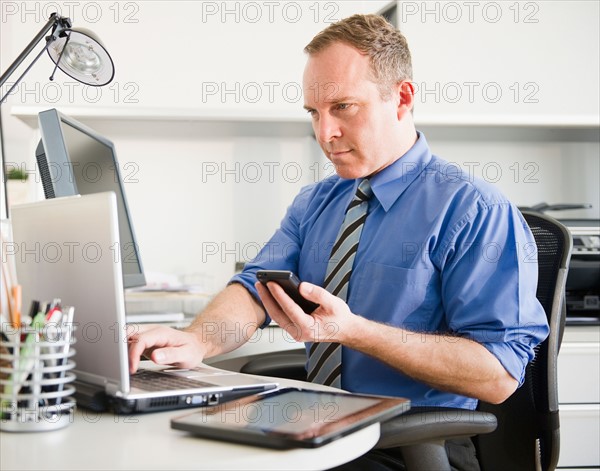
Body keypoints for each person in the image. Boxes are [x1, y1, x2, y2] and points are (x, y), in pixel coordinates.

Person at [128, 14, 548, 470]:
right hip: (318, 426)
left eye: (343, 107)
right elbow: (254, 291)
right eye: (314, 112)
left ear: (402, 98)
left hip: (410, 446)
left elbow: (499, 375)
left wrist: (355, 331)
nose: (324, 133)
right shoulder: (317, 201)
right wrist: (196, 341)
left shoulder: (472, 209)